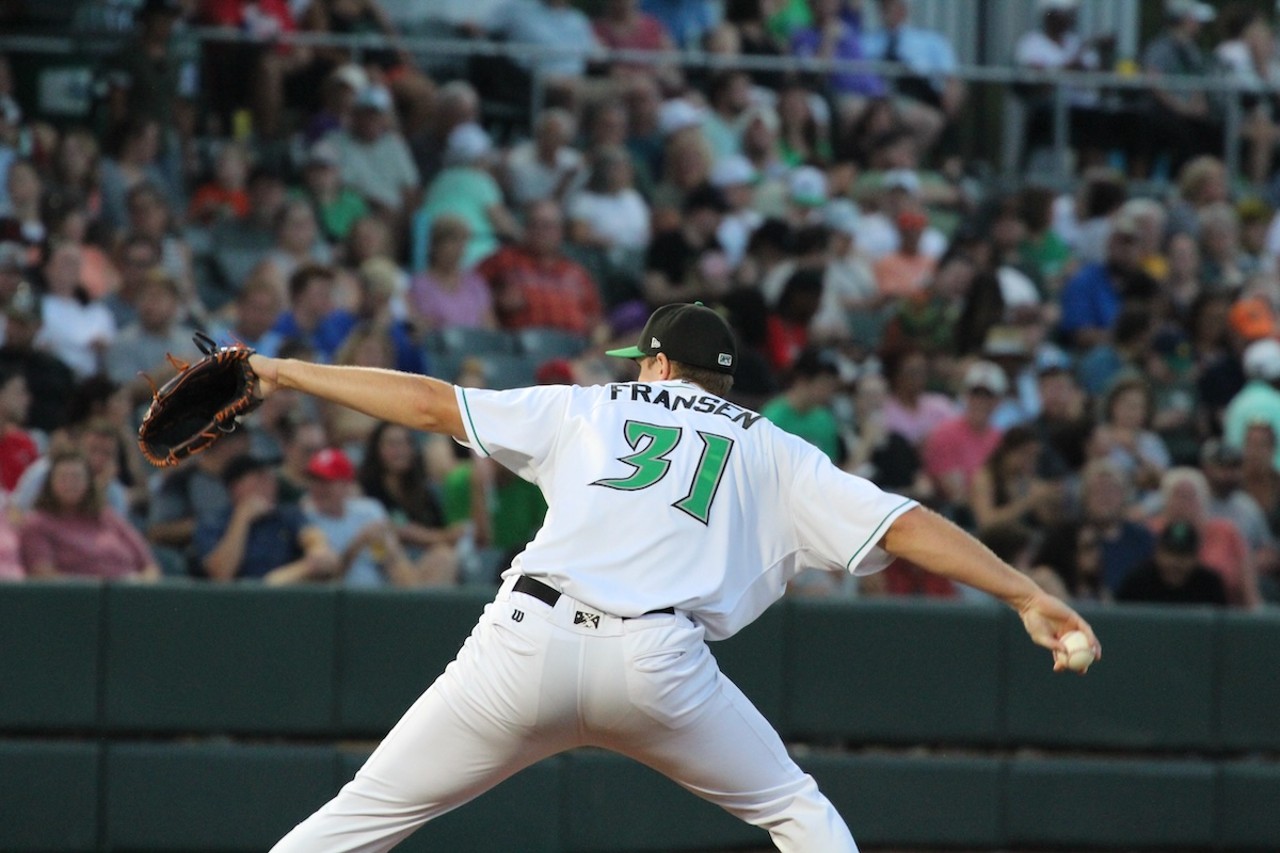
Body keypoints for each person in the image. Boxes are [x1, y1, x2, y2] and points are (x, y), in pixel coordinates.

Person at [250, 301, 1098, 851]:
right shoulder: (774, 447)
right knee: (799, 815)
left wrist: (283, 371)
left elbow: (435, 404)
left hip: (524, 644)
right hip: (657, 667)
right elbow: (905, 526)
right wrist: (1025, 593)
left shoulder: (589, 403)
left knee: (356, 822)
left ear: (654, 366)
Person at [19, 450, 160, 581]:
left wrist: (142, 585)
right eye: (63, 477)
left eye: (76, 477)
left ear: (88, 482)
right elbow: (44, 575)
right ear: (50, 483)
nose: (70, 484)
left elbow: (149, 565)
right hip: (79, 600)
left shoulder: (106, 516)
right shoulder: (37, 524)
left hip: (130, 591)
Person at [1116, 520, 1228, 606]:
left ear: (1195, 558)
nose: (1175, 562)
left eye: (1183, 555)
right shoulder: (1137, 582)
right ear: (1158, 553)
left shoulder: (1209, 585)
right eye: (1170, 554)